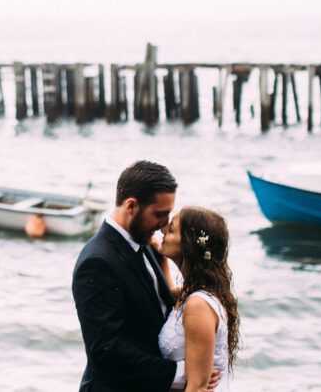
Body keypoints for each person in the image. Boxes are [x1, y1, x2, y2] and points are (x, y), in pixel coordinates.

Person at [72, 161, 219, 392]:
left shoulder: (147, 246)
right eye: (159, 215)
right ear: (131, 206)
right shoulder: (97, 261)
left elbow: (159, 308)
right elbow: (105, 349)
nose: (164, 225)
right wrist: (184, 373)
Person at [157, 207, 240, 392]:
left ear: (189, 245)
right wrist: (158, 255)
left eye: (171, 230)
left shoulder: (198, 305)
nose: (162, 230)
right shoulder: (192, 294)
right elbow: (170, 290)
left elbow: (198, 387)